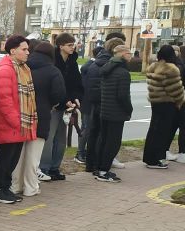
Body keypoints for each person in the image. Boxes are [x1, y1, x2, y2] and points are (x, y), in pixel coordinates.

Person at [0, 36, 36, 204]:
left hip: (19, 121)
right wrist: (17, 121)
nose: (27, 52)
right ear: (13, 51)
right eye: (24, 49)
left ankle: (5, 188)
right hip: (11, 122)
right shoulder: (6, 69)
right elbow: (4, 100)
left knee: (13, 158)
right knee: (6, 156)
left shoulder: (22, 68)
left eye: (27, 49)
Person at [16, 41, 65, 197]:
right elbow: (59, 94)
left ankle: (15, 185)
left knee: (19, 154)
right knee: (34, 156)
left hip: (22, 113)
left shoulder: (23, 67)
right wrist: (50, 104)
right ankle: (30, 187)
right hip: (41, 114)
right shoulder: (53, 71)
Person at [81, 33, 126, 172]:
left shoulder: (97, 62)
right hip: (106, 105)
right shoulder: (110, 65)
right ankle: (100, 166)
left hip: (95, 103)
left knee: (94, 134)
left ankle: (92, 164)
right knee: (105, 137)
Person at [40, 33, 81, 179]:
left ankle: (54, 168)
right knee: (49, 138)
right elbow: (53, 85)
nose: (72, 47)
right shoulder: (53, 61)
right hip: (53, 105)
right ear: (61, 46)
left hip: (67, 106)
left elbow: (76, 82)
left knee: (61, 139)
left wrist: (75, 98)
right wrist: (64, 101)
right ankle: (44, 168)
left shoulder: (72, 61)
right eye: (69, 45)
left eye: (73, 44)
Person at [95, 41, 134, 182]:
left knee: (103, 140)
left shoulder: (107, 68)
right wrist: (129, 109)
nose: (131, 56)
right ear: (123, 54)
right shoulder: (123, 72)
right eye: (129, 53)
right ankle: (104, 171)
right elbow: (123, 96)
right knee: (113, 143)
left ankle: (99, 168)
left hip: (105, 110)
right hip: (117, 113)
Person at [142, 45, 185, 168]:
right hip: (167, 103)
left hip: (155, 102)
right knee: (162, 132)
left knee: (153, 129)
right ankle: (156, 159)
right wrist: (180, 101)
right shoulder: (171, 69)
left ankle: (149, 157)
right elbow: (175, 89)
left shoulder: (153, 67)